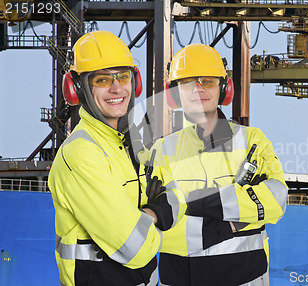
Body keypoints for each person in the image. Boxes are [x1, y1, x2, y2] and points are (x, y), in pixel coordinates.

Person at [48, 30, 186, 286]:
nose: (116, 88)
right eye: (102, 79)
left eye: (123, 76)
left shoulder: (135, 143)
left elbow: (179, 196)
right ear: (76, 88)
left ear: (136, 82)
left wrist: (148, 216)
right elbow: (135, 248)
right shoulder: (81, 153)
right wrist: (157, 213)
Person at [150, 43, 288, 285]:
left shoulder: (252, 141)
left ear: (225, 88)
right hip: (181, 278)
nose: (198, 90)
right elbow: (153, 220)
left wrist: (203, 203)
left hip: (245, 278)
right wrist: (233, 220)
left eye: (208, 81)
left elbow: (276, 200)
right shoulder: (162, 150)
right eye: (187, 83)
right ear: (173, 94)